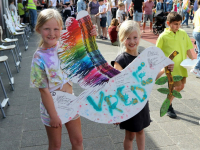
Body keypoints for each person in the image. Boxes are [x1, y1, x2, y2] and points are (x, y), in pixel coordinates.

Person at [30, 9, 97, 150]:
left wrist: (92, 36)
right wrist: (54, 116)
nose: (52, 33)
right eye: (47, 29)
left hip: (71, 102)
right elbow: (44, 91)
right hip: (51, 108)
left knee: (78, 141)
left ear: (61, 29)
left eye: (56, 29)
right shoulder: (38, 57)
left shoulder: (66, 47)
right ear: (38, 29)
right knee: (56, 145)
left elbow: (85, 51)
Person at [111, 20, 174, 150]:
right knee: (130, 135)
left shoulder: (143, 58)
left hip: (142, 101)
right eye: (128, 38)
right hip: (128, 104)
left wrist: (164, 69)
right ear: (122, 39)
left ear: (140, 37)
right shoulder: (120, 60)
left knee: (141, 131)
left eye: (135, 37)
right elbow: (117, 87)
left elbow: (149, 79)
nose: (132, 41)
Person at [156, 12, 194, 118]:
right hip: (171, 68)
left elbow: (187, 48)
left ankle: (169, 102)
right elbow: (157, 53)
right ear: (168, 23)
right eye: (175, 24)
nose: (178, 26)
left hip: (182, 66)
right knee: (177, 87)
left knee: (181, 87)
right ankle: (168, 106)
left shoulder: (183, 33)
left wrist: (192, 60)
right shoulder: (163, 36)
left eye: (179, 24)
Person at [191, 0, 200, 77]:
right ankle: (196, 68)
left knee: (199, 52)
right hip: (199, 32)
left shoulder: (197, 11)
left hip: (196, 31)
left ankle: (197, 68)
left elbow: (193, 23)